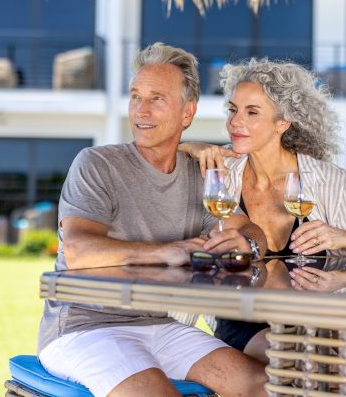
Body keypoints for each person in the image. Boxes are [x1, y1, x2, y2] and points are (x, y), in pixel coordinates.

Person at [37, 43, 268, 397]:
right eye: (135, 97)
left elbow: (246, 230)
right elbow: (79, 250)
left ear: (186, 113)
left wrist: (248, 243)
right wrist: (167, 250)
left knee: (265, 385)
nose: (140, 110)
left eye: (157, 98)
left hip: (159, 325)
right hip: (85, 328)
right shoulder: (97, 164)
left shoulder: (199, 175)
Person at [180, 57, 346, 362]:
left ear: (283, 122)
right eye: (233, 110)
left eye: (252, 112)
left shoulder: (327, 181)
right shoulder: (221, 173)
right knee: (298, 359)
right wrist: (190, 146)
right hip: (242, 319)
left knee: (344, 363)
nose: (235, 122)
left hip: (312, 317)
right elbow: (155, 157)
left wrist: (343, 246)